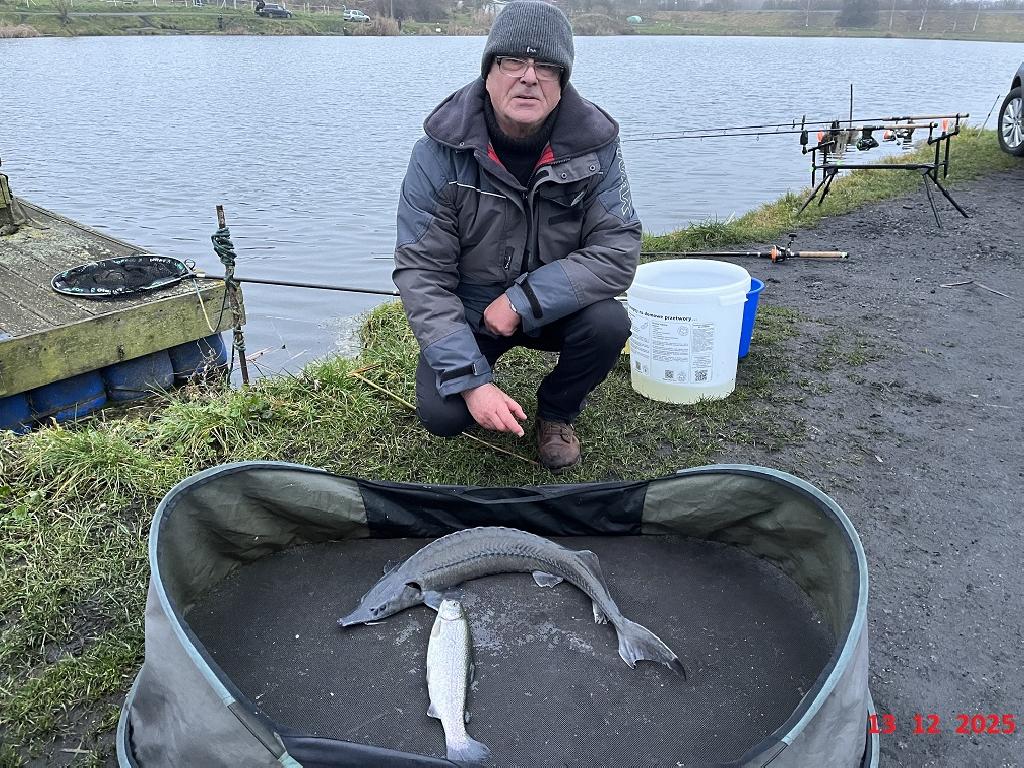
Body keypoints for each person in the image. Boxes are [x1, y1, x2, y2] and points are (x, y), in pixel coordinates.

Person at [393, 0, 641, 472]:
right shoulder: (436, 153)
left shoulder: (598, 146)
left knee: (608, 323)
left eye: (546, 66)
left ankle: (558, 411)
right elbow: (421, 273)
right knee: (444, 414)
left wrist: (523, 301)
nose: (529, 77)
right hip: (474, 308)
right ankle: (476, 379)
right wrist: (472, 384)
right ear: (489, 71)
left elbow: (617, 250)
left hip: (558, 304)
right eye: (513, 61)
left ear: (562, 81)